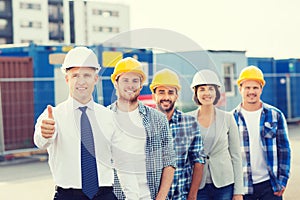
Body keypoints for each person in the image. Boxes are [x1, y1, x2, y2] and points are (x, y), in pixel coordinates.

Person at [34, 47, 118, 200]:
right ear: (67, 79)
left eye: (87, 75)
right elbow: (40, 141)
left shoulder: (109, 117)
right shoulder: (53, 115)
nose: (81, 81)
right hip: (68, 195)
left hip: (105, 194)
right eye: (75, 76)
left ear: (95, 79)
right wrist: (45, 133)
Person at [109, 57, 176, 200]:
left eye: (135, 81)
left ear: (141, 85)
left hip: (150, 196)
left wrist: (160, 197)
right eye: (125, 80)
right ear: (116, 83)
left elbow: (169, 161)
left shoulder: (158, 119)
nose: (130, 85)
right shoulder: (105, 118)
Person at [233, 66, 291, 200]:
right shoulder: (231, 118)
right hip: (244, 187)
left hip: (270, 186)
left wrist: (282, 180)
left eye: (255, 88)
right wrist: (235, 190)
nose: (251, 92)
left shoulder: (275, 115)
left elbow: (284, 150)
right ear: (240, 89)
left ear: (261, 89)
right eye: (247, 88)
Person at [187, 69, 244, 200]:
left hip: (224, 184)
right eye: (202, 89)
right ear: (196, 92)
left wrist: (238, 191)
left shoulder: (228, 118)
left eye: (211, 89)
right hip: (197, 186)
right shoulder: (188, 120)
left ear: (216, 92)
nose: (207, 93)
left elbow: (236, 156)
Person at [150, 68, 206, 200]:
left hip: (181, 195)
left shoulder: (190, 123)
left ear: (176, 95)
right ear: (154, 96)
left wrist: (192, 196)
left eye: (170, 92)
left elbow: (198, 161)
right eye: (161, 92)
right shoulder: (144, 123)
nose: (166, 97)